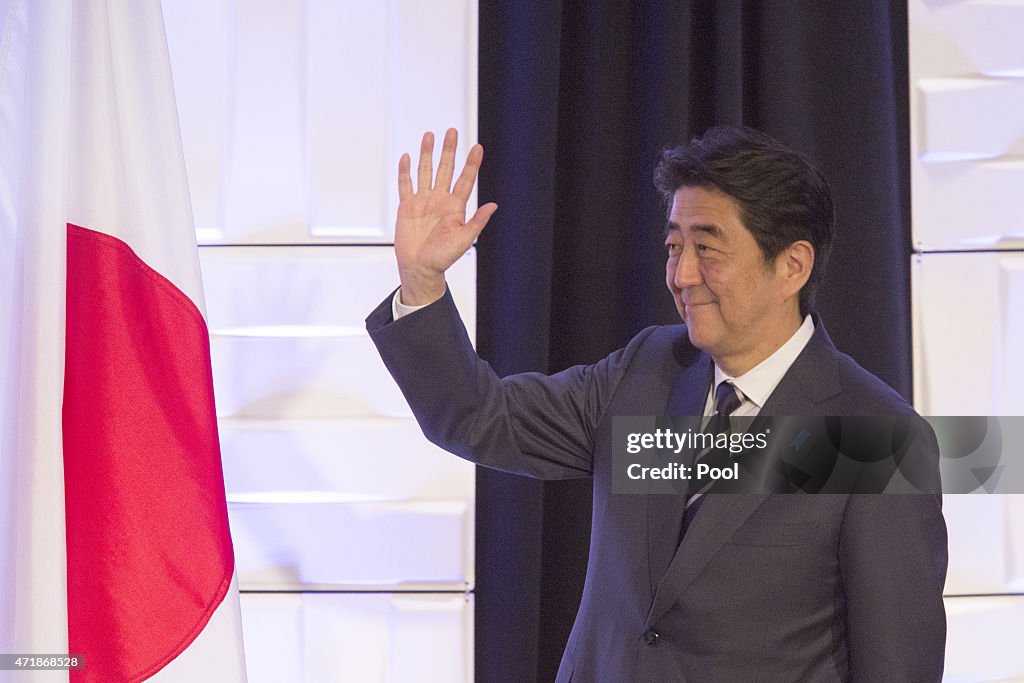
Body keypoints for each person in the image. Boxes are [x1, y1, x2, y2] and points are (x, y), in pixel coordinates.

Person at [366, 125, 947, 681]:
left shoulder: (878, 438)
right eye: (674, 246)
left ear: (792, 265)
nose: (682, 274)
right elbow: (480, 416)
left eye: (707, 248)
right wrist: (422, 284)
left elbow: (896, 666)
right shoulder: (646, 368)